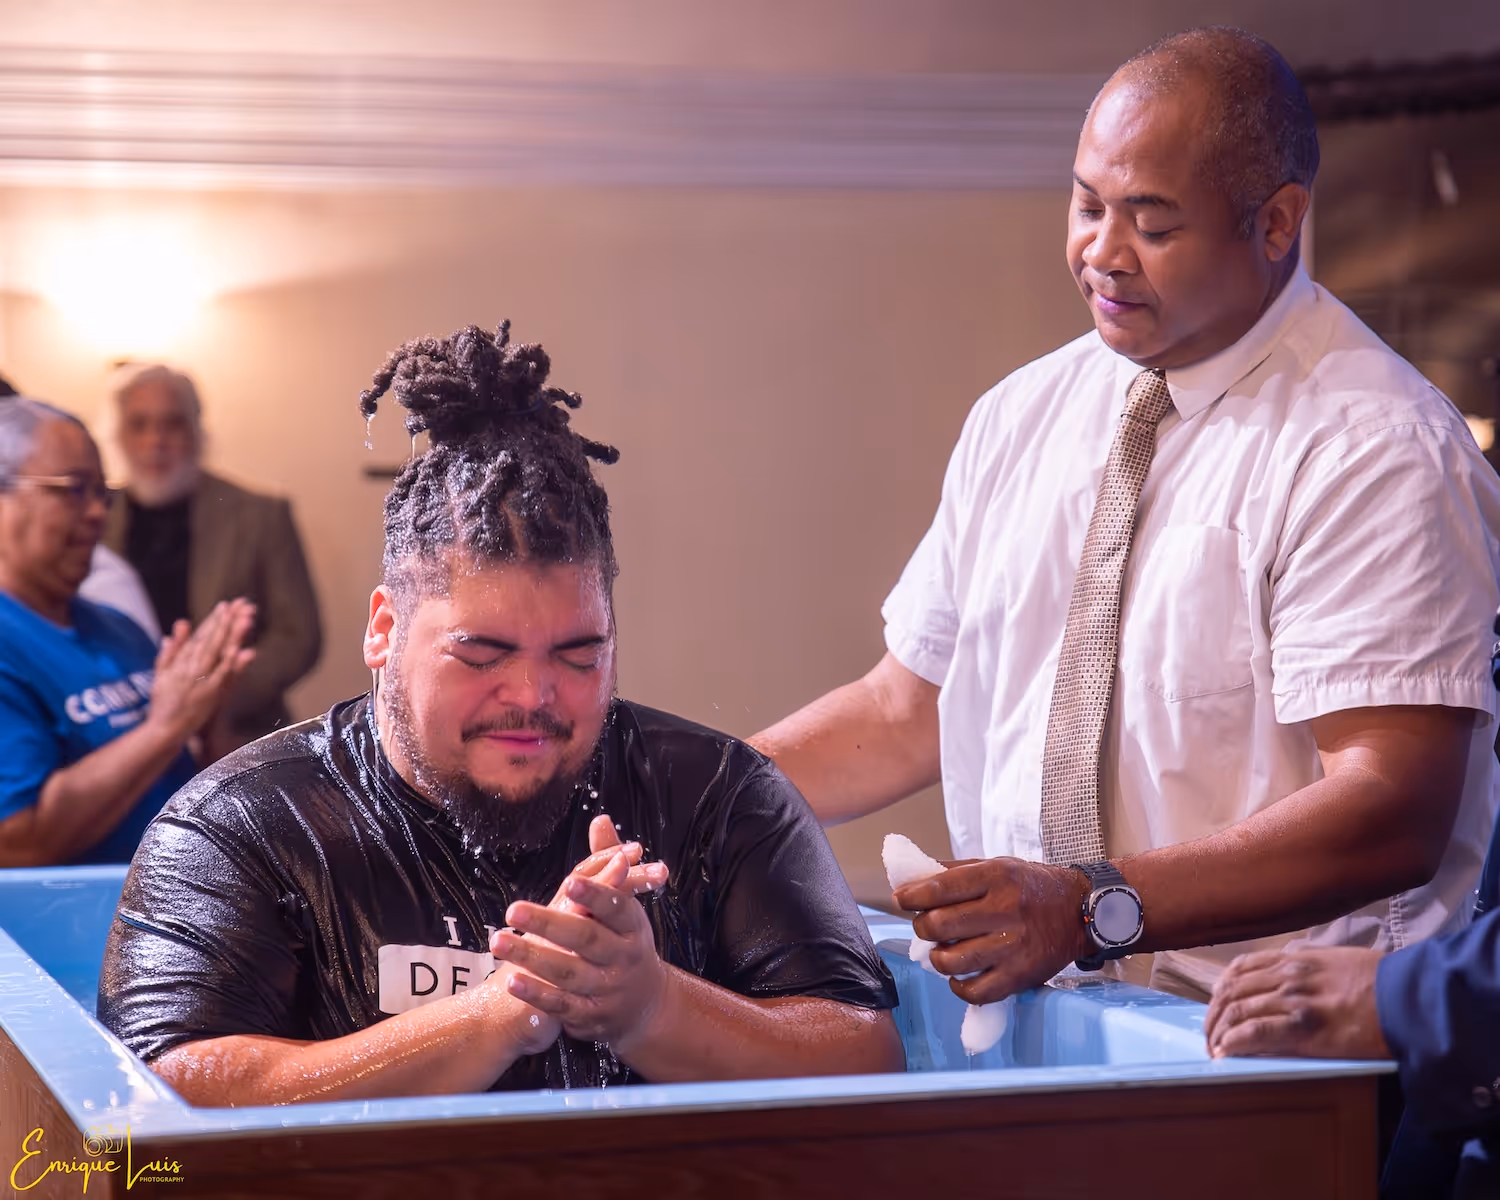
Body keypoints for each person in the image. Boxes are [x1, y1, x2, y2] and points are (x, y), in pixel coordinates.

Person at [749, 26, 1500, 1004]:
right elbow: (909, 709)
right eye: (1087, 203)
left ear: (1275, 225)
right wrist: (696, 797)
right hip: (1031, 1031)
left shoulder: (1376, 446)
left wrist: (1091, 905)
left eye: (1152, 222)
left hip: (1272, 1063)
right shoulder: (1023, 413)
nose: (1101, 252)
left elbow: (1391, 809)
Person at [97, 321, 903, 1104]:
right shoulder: (238, 824)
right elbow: (162, 1090)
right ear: (384, 630)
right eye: (482, 654)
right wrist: (498, 1012)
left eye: (579, 655)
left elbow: (867, 1054)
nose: (533, 695)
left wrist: (653, 1008)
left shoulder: (721, 796)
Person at [0, 396, 255, 867]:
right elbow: (17, 840)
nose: (98, 513)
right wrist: (166, 726)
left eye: (102, 493)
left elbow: (187, 774)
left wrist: (207, 712)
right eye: (73, 489)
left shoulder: (116, 628)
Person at [103, 364, 322, 757]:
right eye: (140, 424)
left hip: (236, 737)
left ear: (197, 430)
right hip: (115, 739)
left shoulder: (260, 515)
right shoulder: (94, 518)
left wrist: (212, 696)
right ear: (120, 434)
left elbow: (298, 636)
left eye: (172, 424)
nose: (156, 440)